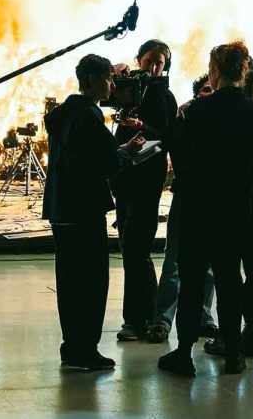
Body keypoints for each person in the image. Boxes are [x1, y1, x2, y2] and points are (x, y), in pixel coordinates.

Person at [158, 41, 253, 376]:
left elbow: (180, 153)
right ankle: (234, 355)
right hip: (234, 206)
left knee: (191, 281)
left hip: (198, 206)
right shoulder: (251, 111)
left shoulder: (199, 110)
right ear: (242, 71)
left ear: (215, 71)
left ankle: (184, 354)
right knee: (230, 279)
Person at [43, 54, 144, 370]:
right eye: (108, 79)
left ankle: (72, 346)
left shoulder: (63, 114)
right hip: (85, 210)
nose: (112, 85)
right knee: (93, 283)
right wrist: (127, 153)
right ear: (92, 81)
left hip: (62, 209)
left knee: (70, 283)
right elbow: (105, 164)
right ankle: (86, 349)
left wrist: (116, 153)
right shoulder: (89, 116)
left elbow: (85, 156)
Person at [203, 56, 253, 358]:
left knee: (227, 269)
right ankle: (250, 334)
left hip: (227, 194)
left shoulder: (221, 106)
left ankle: (229, 337)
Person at [110, 39, 178, 341]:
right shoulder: (128, 89)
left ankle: (135, 320)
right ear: (139, 59)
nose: (153, 67)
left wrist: (142, 126)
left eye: (159, 63)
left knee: (135, 249)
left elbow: (166, 136)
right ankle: (147, 315)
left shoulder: (165, 96)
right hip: (124, 179)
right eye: (149, 60)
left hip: (147, 179)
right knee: (132, 250)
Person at [146, 75, 219, 344]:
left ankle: (203, 318)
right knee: (174, 261)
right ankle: (162, 321)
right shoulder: (186, 113)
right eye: (205, 90)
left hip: (210, 195)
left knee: (209, 264)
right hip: (188, 193)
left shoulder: (219, 115)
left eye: (213, 90)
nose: (209, 94)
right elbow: (176, 151)